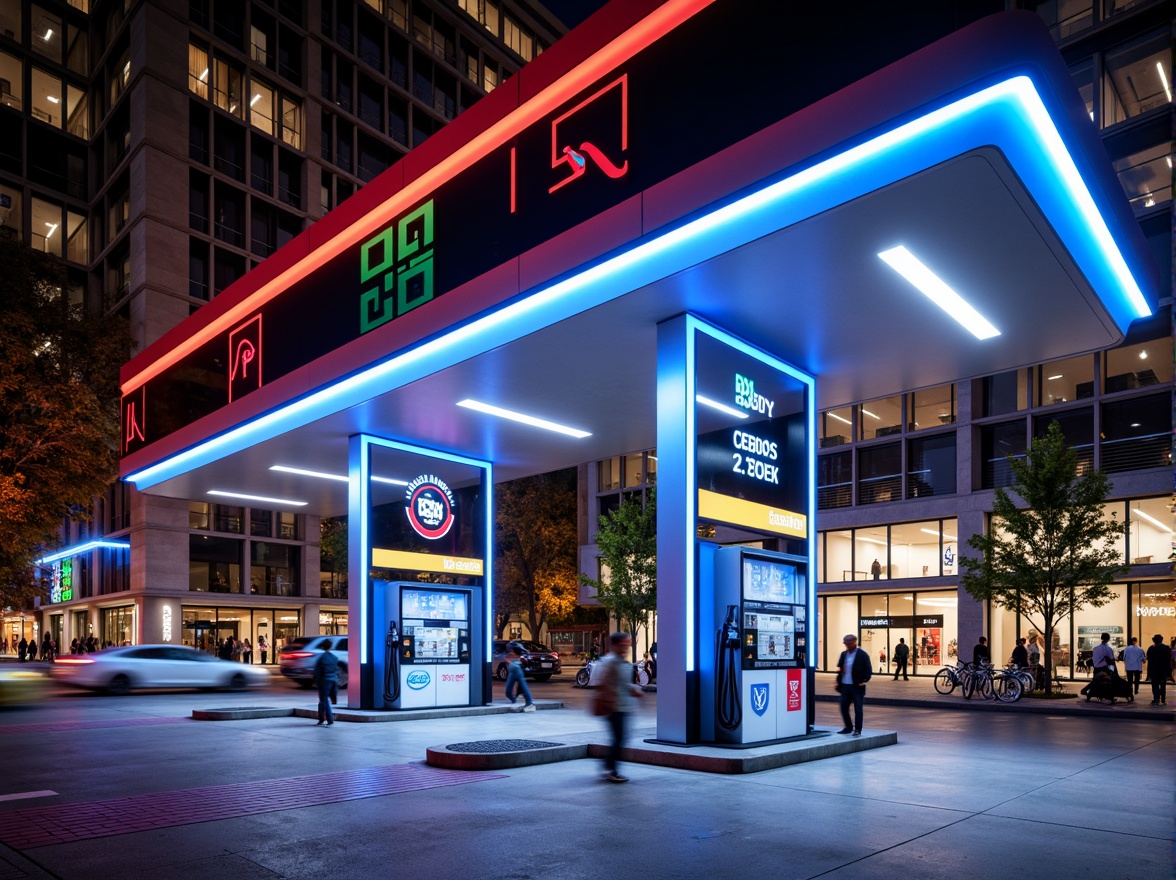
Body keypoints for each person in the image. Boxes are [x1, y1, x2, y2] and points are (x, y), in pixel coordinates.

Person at [597, 631, 644, 782]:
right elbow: (604, 685)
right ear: (615, 645)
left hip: (624, 706)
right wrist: (608, 705)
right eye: (623, 643)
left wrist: (634, 690)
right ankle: (611, 769)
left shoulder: (624, 663)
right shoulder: (610, 662)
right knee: (619, 738)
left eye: (628, 643)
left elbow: (622, 684)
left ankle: (609, 766)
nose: (627, 646)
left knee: (620, 738)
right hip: (614, 708)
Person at [835, 633, 872, 736]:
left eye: (849, 643)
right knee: (843, 707)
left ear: (855, 642)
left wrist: (863, 680)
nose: (847, 646)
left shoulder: (862, 655)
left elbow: (868, 671)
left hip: (857, 686)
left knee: (858, 709)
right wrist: (838, 682)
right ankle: (848, 727)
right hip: (845, 686)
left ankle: (858, 729)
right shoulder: (844, 654)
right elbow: (840, 669)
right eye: (846, 644)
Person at [503, 644, 534, 712]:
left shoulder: (519, 657)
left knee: (524, 688)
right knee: (508, 692)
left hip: (517, 672)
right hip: (512, 672)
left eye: (512, 651)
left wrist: (509, 662)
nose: (511, 652)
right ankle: (515, 700)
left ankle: (529, 703)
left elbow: (523, 660)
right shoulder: (512, 656)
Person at [312, 646, 339, 725]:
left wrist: (316, 681)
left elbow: (317, 671)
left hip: (324, 680)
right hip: (332, 680)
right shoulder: (334, 657)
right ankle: (328, 719)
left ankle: (324, 719)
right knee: (326, 699)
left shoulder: (321, 658)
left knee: (323, 700)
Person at [1145, 634, 1172, 706]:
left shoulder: (1151, 648)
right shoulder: (1166, 648)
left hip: (1154, 670)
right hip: (1163, 670)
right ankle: (1163, 699)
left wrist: (1149, 672)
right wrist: (1169, 671)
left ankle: (1156, 698)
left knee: (1155, 685)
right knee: (1163, 684)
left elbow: (1149, 660)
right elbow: (1168, 660)